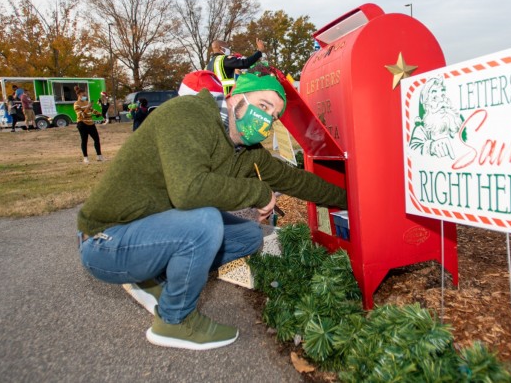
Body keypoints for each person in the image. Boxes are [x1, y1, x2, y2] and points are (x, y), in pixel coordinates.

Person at [77, 65, 347, 351]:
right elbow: (188, 191)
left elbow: (295, 180)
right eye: (262, 105)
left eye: (273, 115)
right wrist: (257, 192)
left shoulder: (248, 151)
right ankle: (174, 321)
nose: (266, 119)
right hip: (105, 240)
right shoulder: (187, 114)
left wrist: (351, 198)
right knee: (205, 223)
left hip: (151, 230)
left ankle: (154, 278)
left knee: (249, 236)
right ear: (234, 98)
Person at [74, 89, 104, 164]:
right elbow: (82, 115)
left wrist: (98, 113)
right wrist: (88, 108)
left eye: (85, 95)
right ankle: (85, 158)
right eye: (83, 95)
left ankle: (99, 156)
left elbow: (92, 110)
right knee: (84, 140)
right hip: (82, 124)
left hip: (91, 123)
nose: (85, 96)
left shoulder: (87, 102)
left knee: (96, 139)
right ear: (79, 95)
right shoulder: (76, 104)